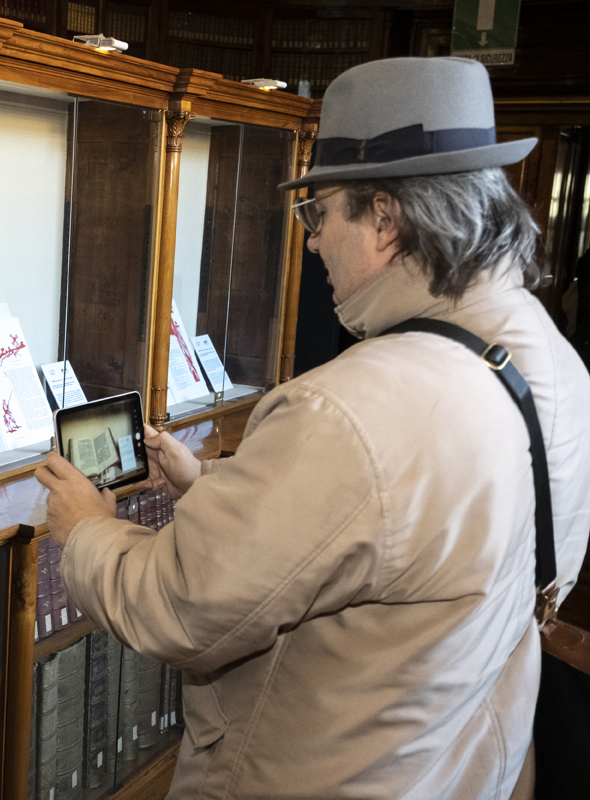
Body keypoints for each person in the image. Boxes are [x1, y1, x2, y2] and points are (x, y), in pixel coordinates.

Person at [36, 57, 590, 798]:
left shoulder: (349, 410)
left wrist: (84, 529)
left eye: (318, 213)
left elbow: (177, 605)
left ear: (385, 219)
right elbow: (408, 544)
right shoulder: (554, 359)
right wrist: (216, 490)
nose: (310, 242)